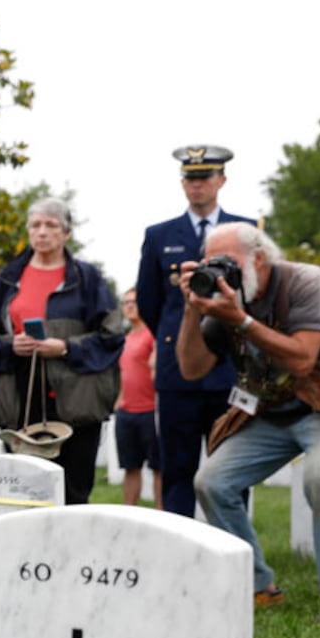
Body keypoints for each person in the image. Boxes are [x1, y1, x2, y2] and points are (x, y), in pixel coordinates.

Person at [176, 223, 320, 618]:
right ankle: (257, 586)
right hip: (271, 412)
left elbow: (301, 359)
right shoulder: (227, 301)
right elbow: (191, 368)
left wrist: (240, 321)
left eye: (227, 262)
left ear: (259, 258)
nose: (220, 272)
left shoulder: (310, 284)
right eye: (212, 263)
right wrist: (193, 312)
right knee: (212, 482)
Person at [0, 198, 124, 505]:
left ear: (66, 233)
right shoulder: (7, 279)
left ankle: (73, 554)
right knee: (24, 493)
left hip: (76, 403)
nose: (42, 232)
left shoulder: (87, 278)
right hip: (19, 401)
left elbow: (111, 337)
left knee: (73, 493)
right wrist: (10, 344)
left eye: (51, 225)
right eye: (35, 225)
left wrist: (66, 348)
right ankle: (30, 555)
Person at [136, 145, 255, 516]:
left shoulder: (246, 230)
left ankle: (236, 554)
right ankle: (179, 557)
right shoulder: (159, 236)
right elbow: (149, 303)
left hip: (230, 370)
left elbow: (256, 295)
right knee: (177, 469)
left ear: (222, 180)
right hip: (178, 373)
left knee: (232, 470)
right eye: (190, 178)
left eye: (204, 177)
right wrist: (178, 344)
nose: (197, 185)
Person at [114, 288, 162, 507]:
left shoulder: (154, 335)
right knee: (130, 467)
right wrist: (118, 403)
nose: (130, 306)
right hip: (126, 412)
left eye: (134, 301)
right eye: (126, 302)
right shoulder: (125, 339)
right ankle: (128, 516)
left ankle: (163, 519)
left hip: (151, 410)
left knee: (158, 469)